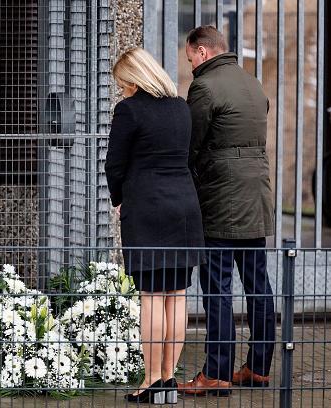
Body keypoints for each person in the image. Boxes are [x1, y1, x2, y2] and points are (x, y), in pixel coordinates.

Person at [178, 25, 276, 396]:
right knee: (258, 286)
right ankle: (258, 367)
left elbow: (191, 144)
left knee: (217, 289)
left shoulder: (205, 86)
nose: (191, 67)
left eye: (190, 59)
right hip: (256, 196)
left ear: (202, 52)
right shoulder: (253, 83)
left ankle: (216, 373)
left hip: (221, 199)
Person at [105, 47, 205, 405]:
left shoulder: (129, 110)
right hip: (184, 206)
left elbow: (114, 164)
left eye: (122, 83)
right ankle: (169, 380)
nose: (122, 90)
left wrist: (119, 199)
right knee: (176, 296)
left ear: (133, 78)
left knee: (151, 296)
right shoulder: (180, 106)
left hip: (148, 208)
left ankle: (150, 382)